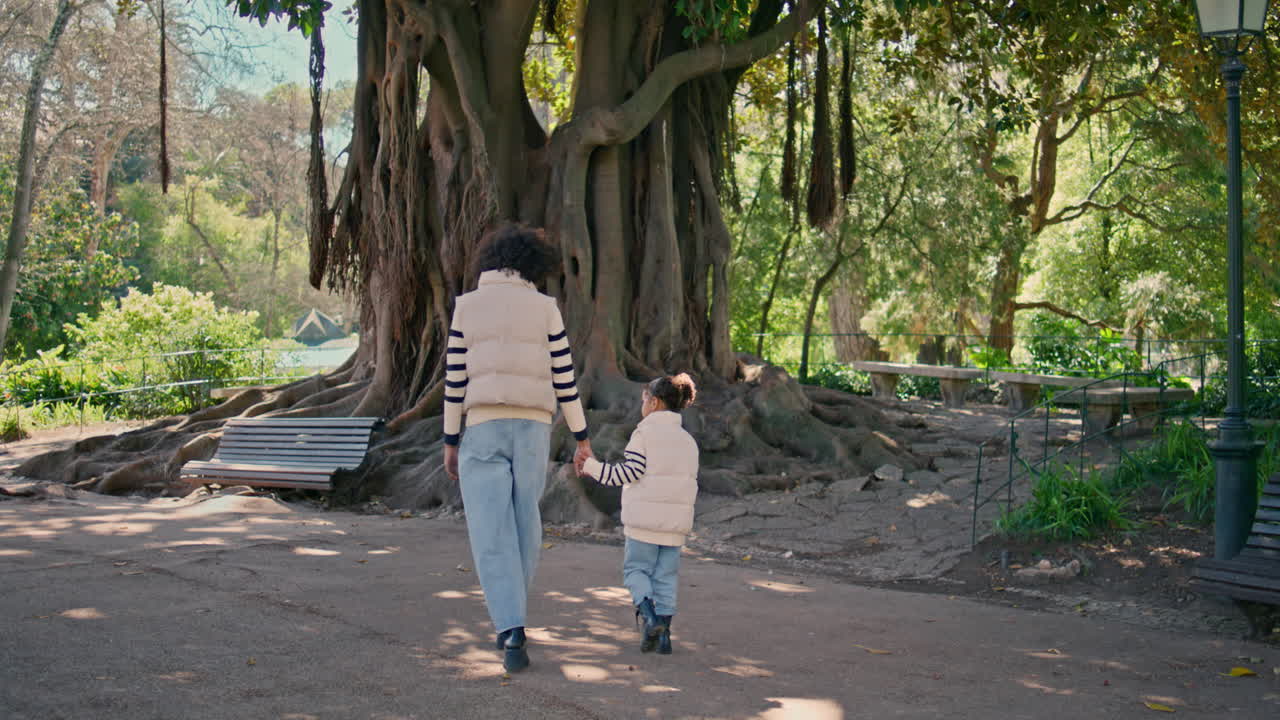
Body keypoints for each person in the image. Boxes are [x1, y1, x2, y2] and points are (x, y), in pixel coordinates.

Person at [442, 224, 593, 673]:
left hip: (483, 427)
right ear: (533, 266)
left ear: (489, 261)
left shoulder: (466, 307)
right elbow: (565, 379)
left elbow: (455, 380)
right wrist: (582, 437)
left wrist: (451, 440)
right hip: (533, 429)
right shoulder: (546, 308)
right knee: (525, 520)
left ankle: (510, 628)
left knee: (490, 530)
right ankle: (513, 618)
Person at [577, 373, 699, 655]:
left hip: (643, 524)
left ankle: (650, 618)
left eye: (644, 399)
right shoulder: (688, 441)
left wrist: (592, 467)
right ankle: (664, 638)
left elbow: (628, 473)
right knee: (666, 579)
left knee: (636, 571)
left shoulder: (643, 434)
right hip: (674, 528)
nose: (642, 404)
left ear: (654, 402)